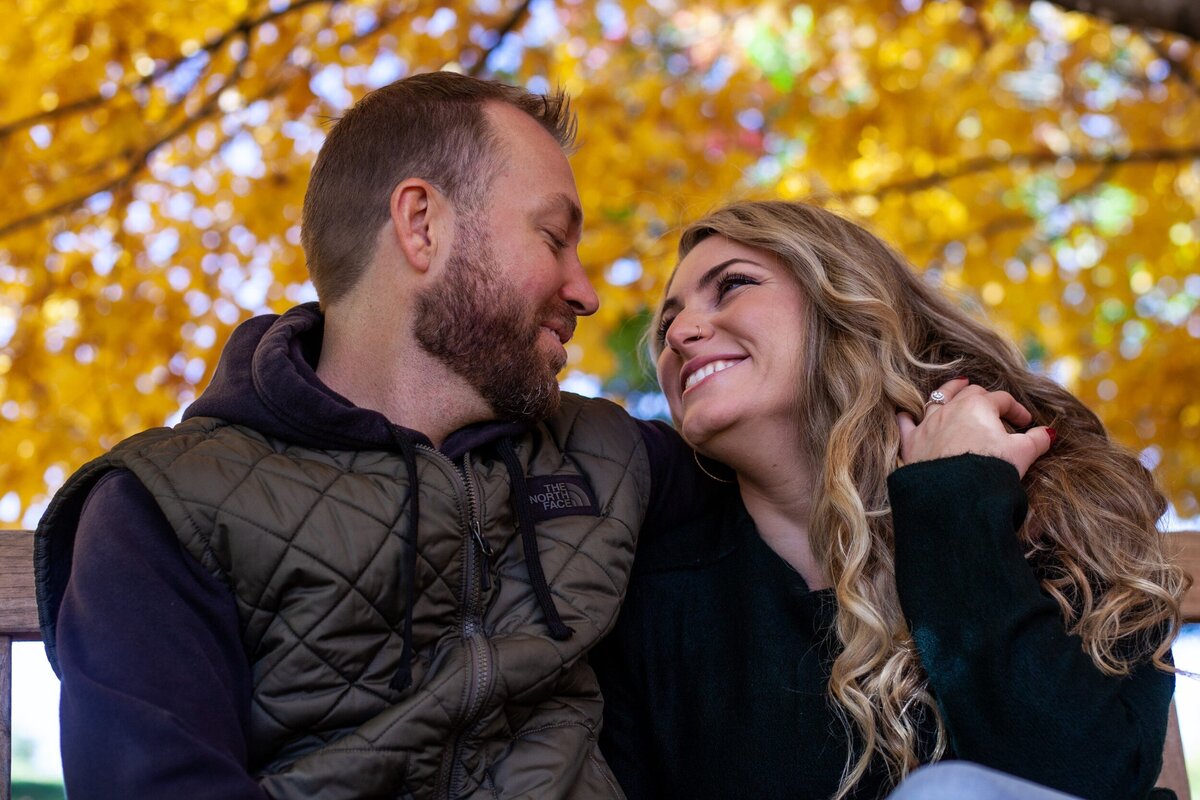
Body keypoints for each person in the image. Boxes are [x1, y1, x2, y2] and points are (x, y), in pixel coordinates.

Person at [33, 71, 699, 799]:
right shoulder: (168, 507)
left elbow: (809, 478)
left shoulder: (608, 458)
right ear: (421, 225)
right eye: (553, 237)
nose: (587, 292)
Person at [592, 200, 1187, 800]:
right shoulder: (658, 603)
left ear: (848, 303)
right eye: (669, 321)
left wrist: (955, 497)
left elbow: (1078, 776)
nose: (679, 333)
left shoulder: (1061, 508)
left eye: (734, 286)